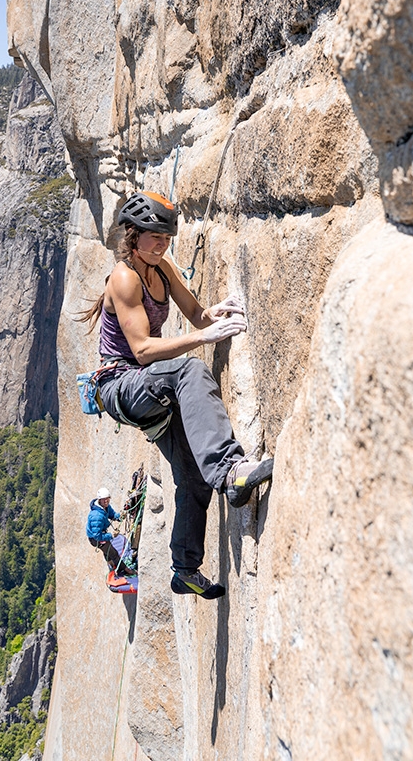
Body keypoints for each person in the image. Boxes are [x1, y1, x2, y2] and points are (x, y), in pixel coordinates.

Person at [80, 191, 273, 599]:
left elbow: (196, 313)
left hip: (148, 384)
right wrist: (203, 338)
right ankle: (231, 470)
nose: (162, 244)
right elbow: (143, 350)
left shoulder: (162, 268)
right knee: (190, 368)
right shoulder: (124, 276)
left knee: (193, 478)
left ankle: (184, 569)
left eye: (166, 238)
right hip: (121, 385)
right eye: (154, 237)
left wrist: (216, 314)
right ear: (132, 235)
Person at [86, 487, 124, 572]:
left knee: (107, 551)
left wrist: (119, 517)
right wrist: (111, 535)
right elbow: (97, 536)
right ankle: (124, 570)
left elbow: (112, 514)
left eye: (107, 499)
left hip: (99, 534)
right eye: (104, 500)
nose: (106, 501)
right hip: (95, 538)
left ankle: (111, 566)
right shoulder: (96, 516)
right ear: (99, 500)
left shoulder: (105, 507)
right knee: (113, 553)